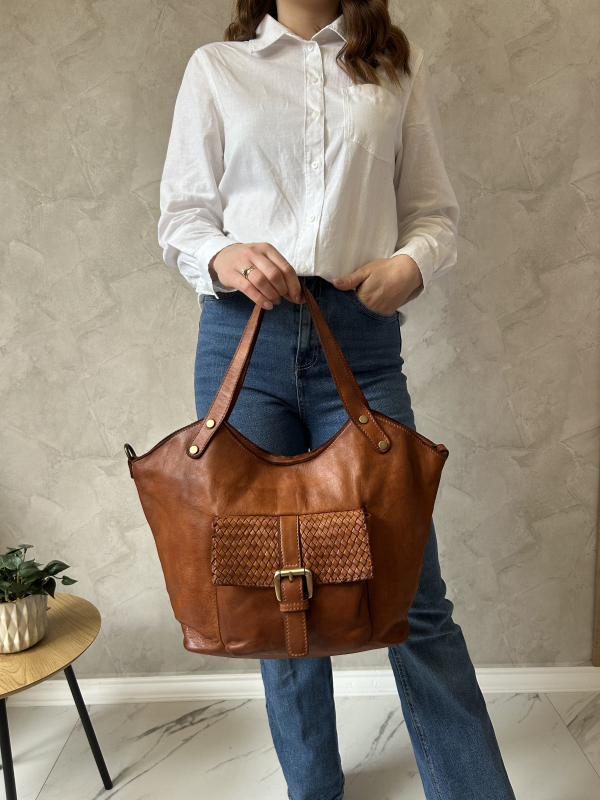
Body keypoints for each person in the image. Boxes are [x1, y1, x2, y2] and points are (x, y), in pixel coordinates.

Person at [157, 2, 517, 799]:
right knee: (273, 592)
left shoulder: (389, 68)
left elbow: (432, 212)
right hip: (244, 338)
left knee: (412, 592)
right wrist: (224, 254)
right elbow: (182, 217)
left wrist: (410, 266)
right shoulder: (218, 69)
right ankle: (312, 789)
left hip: (358, 340)